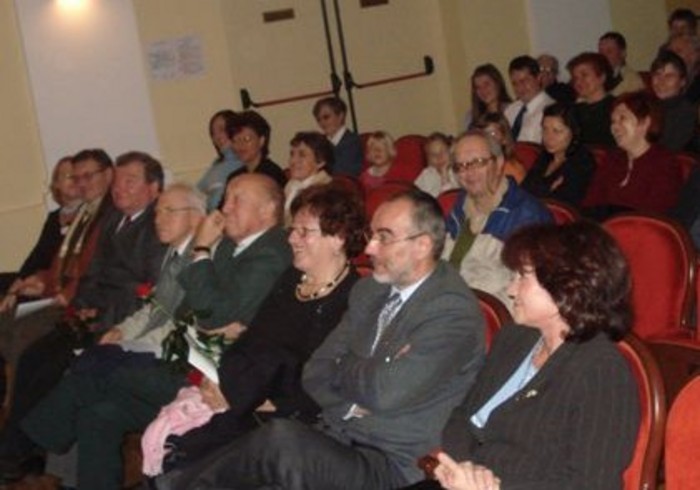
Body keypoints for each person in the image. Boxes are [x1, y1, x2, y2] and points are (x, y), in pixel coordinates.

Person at [151, 189, 486, 490]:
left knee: (281, 439)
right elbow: (316, 371)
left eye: (384, 238)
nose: (369, 247)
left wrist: (347, 367)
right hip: (335, 434)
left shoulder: (450, 311)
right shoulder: (370, 291)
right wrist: (364, 381)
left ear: (422, 245)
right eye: (372, 236)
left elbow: (385, 394)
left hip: (389, 461)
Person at [21, 174, 293, 490]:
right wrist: (208, 308)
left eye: (237, 200)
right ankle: (36, 451)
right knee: (99, 413)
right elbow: (192, 308)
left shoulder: (271, 252)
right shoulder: (231, 247)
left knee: (98, 370)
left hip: (216, 379)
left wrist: (202, 248)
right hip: (189, 359)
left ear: (268, 209)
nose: (225, 207)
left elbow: (213, 314)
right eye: (226, 197)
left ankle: (28, 444)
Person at [143, 183, 365, 474]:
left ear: (338, 238)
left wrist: (261, 400)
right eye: (293, 230)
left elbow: (330, 379)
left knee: (195, 461)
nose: (292, 239)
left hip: (287, 416)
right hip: (246, 394)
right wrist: (220, 377)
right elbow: (255, 337)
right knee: (177, 449)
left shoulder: (355, 298)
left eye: (304, 232)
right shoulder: (291, 279)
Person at [418, 221, 640, 490]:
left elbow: (593, 484)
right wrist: (465, 469)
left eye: (522, 277)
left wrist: (496, 487)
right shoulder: (515, 339)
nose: (511, 290)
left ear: (566, 287)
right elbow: (462, 417)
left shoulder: (601, 372)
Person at [0, 151, 166, 481]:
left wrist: (100, 312)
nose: (119, 188)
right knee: (33, 357)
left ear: (154, 188)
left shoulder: (155, 225)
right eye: (118, 181)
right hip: (92, 313)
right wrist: (83, 305)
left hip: (122, 322)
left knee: (54, 365)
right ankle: (20, 447)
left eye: (130, 181)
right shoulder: (113, 221)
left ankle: (18, 453)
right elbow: (92, 274)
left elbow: (146, 290)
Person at [444, 130, 551, 309]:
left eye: (478, 162)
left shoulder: (528, 215)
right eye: (460, 166)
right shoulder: (457, 210)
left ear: (499, 162)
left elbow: (529, 294)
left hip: (488, 314)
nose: (469, 172)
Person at [0, 156, 82, 308]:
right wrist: (17, 284)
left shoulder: (88, 214)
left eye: (78, 176)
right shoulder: (54, 218)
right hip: (40, 279)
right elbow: (37, 255)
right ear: (56, 184)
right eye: (68, 176)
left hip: (59, 282)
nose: (74, 180)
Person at [585, 91, 682, 218]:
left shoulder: (665, 164)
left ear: (645, 122)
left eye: (622, 118)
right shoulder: (612, 158)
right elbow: (591, 203)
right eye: (613, 121)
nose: (614, 127)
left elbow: (653, 216)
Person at [522, 103, 596, 206]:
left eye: (557, 131)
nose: (548, 137)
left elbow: (563, 204)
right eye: (545, 129)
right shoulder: (545, 156)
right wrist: (548, 190)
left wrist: (540, 192)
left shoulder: (582, 162)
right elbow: (523, 190)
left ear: (574, 132)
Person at [650, 50, 698, 152]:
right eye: (657, 74)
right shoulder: (645, 104)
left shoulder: (685, 112)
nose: (661, 81)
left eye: (669, 76)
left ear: (682, 82)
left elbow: (669, 150)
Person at [196, 109, 244, 212]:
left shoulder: (245, 161)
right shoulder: (217, 163)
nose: (217, 137)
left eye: (222, 129)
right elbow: (197, 192)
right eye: (213, 134)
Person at [225, 110, 286, 189]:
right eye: (235, 140)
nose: (240, 145)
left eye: (247, 139)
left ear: (261, 140)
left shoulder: (271, 174)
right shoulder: (234, 177)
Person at [567, 51, 616, 147]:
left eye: (584, 75)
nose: (578, 82)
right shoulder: (572, 110)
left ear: (602, 77)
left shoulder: (616, 108)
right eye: (575, 78)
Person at [283, 131, 333, 224]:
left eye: (302, 155)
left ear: (320, 162)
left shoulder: (325, 190)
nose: (293, 160)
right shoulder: (290, 185)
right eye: (292, 154)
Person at [503, 55, 554, 143]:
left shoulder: (550, 110)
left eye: (524, 81)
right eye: (514, 83)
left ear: (538, 78)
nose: (519, 88)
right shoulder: (511, 109)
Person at [313, 96, 364, 177]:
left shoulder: (352, 142)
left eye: (326, 117)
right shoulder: (320, 143)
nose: (322, 123)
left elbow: (342, 173)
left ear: (340, 116)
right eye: (319, 119)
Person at [471, 113, 527, 183]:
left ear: (504, 139)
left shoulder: (510, 169)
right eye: (483, 134)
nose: (487, 138)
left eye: (493, 133)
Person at [464, 64, 512, 129]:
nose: (483, 90)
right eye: (478, 87)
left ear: (497, 83)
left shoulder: (512, 110)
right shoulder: (470, 117)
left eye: (486, 84)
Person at [598, 31, 645, 96]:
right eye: (601, 52)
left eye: (609, 51)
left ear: (623, 53)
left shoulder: (631, 79)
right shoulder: (597, 77)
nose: (603, 56)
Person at [414, 132, 459, 197]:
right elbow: (415, 195)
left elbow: (451, 196)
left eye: (443, 151)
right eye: (433, 155)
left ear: (450, 151)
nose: (439, 157)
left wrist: (444, 175)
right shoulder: (426, 175)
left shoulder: (457, 171)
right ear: (428, 160)